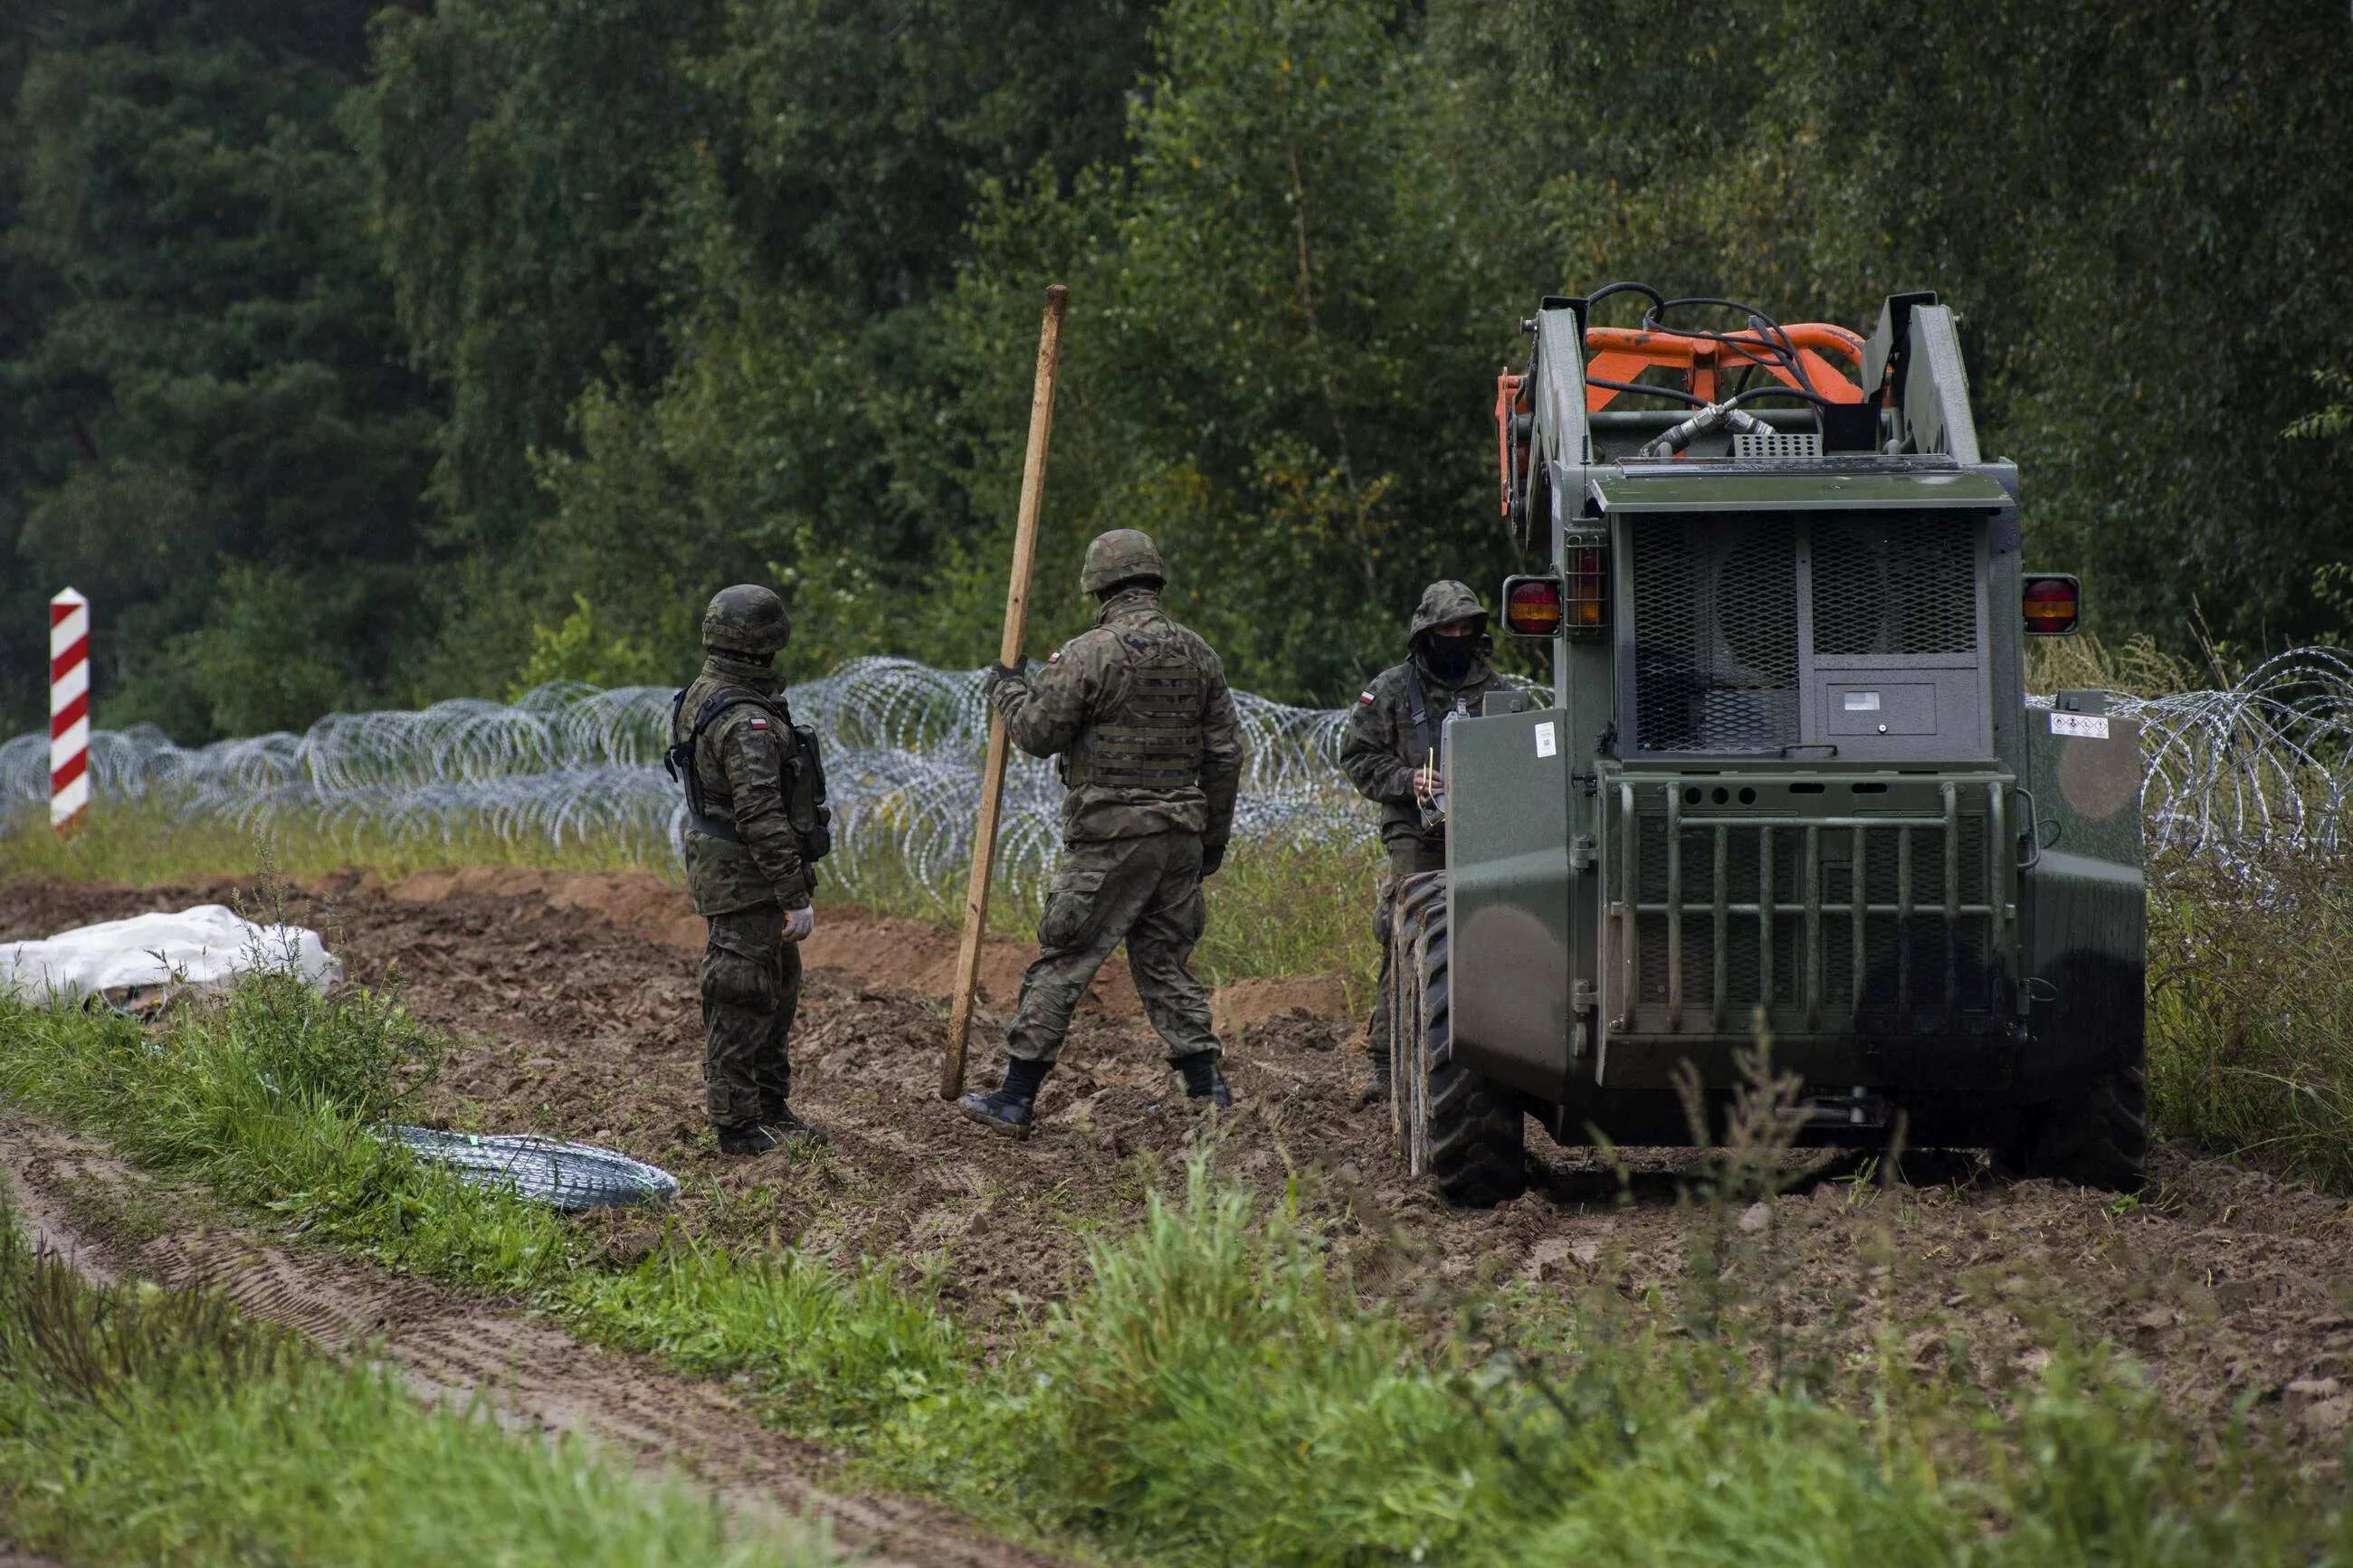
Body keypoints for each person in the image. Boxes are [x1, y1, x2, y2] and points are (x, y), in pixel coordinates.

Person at [959, 528, 1248, 1138]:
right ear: (1154, 580)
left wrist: (1009, 690)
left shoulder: (1090, 653)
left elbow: (1039, 733)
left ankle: (1013, 1099)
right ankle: (1210, 1093)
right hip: (1178, 839)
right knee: (1166, 965)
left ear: (1099, 585)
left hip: (1112, 839)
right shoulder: (1199, 654)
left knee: (1065, 962)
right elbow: (1226, 756)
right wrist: (1209, 844)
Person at [666, 584, 829, 1155]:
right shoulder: (744, 719)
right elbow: (759, 811)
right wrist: (794, 893)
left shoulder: (708, 695)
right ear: (766, 642)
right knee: (741, 991)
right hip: (746, 874)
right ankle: (737, 1124)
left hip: (737, 869)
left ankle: (770, 1106)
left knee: (777, 987)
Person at [1338, 580, 1510, 1104]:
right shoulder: (1391, 690)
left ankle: (1493, 1052)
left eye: (1465, 627)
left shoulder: (1494, 691)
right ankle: (1385, 1062)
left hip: (1482, 828)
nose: (1456, 636)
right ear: (1427, 633)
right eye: (1446, 629)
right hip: (1415, 830)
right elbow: (1357, 757)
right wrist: (1407, 780)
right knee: (1406, 928)